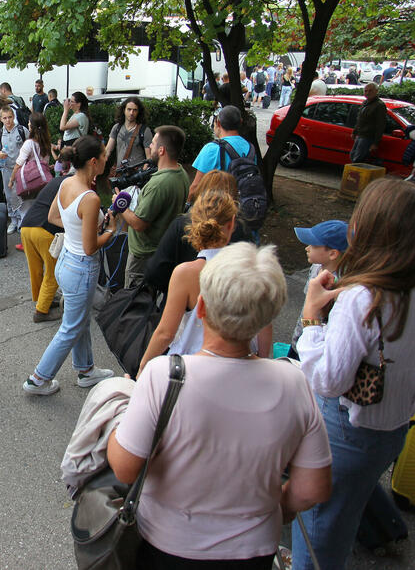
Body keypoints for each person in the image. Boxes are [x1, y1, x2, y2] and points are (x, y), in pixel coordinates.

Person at [108, 242, 332, 569]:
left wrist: (119, 415)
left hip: (167, 546)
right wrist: (280, 505)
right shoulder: (294, 382)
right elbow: (313, 488)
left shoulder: (164, 376)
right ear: (266, 317)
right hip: (254, 549)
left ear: (200, 307)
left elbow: (125, 466)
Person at [292, 180, 415, 569]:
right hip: (392, 427)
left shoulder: (361, 297)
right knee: (344, 512)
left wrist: (312, 316)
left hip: (348, 430)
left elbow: (329, 380)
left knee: (317, 525)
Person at [138, 189, 272, 374]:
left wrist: (143, 367)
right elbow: (264, 326)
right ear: (232, 224)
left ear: (193, 223)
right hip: (241, 366)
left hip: (192, 366)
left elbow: (166, 333)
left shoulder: (186, 273)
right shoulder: (253, 269)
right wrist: (263, 362)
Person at [22, 136, 116, 395]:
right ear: (94, 162)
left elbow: (54, 216)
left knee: (79, 320)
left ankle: (85, 370)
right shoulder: (90, 198)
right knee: (71, 327)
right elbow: (90, 246)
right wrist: (110, 230)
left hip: (65, 262)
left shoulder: (65, 183)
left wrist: (81, 227)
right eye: (105, 157)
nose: (107, 160)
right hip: (81, 268)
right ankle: (38, 380)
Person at [143, 171, 248, 294]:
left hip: (180, 299)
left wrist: (175, 287)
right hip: (225, 302)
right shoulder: (241, 229)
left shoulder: (183, 224)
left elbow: (155, 273)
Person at [116, 126, 190, 288]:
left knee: (134, 301)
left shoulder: (158, 184)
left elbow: (138, 224)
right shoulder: (181, 173)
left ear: (161, 150)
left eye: (154, 143)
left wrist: (120, 205)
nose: (150, 146)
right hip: (161, 248)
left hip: (144, 255)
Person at [285, 220, 348, 360]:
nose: (307, 248)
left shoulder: (342, 287)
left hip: (316, 347)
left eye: (313, 245)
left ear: (332, 254)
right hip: (299, 339)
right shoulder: (316, 267)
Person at [20, 175, 65, 322]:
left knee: (36, 268)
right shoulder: (74, 185)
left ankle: (41, 298)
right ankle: (41, 311)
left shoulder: (57, 180)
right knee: (53, 272)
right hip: (44, 230)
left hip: (26, 226)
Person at [188, 105, 253, 200]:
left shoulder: (212, 148)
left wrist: (187, 204)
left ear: (218, 123)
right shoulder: (250, 147)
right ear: (241, 122)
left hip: (218, 207)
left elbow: (196, 186)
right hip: (241, 204)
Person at [10, 111, 55, 230]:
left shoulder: (29, 143)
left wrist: (11, 179)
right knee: (39, 210)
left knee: (25, 210)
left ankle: (25, 238)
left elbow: (18, 164)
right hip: (43, 181)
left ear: (32, 127)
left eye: (29, 124)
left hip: (30, 181)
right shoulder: (45, 143)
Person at [0, 105, 28, 233]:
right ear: (1, 119)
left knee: (21, 194)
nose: (8, 120)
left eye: (10, 117)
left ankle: (21, 220)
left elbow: (29, 146)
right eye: (5, 118)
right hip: (6, 168)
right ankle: (13, 220)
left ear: (13, 117)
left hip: (21, 168)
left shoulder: (21, 130)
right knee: (9, 195)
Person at [104, 97, 151, 168]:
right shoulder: (117, 128)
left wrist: (143, 174)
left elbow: (149, 158)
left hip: (137, 174)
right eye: (129, 109)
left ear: (138, 112)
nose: (131, 113)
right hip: (120, 173)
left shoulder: (144, 131)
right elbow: (107, 150)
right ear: (124, 110)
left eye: (135, 110)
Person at [349, 82, 387, 163]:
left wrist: (376, 143)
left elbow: (380, 125)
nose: (367, 93)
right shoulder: (365, 103)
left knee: (358, 158)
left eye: (370, 91)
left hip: (368, 137)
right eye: (366, 91)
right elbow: (360, 119)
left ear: (376, 91)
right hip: (360, 135)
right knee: (353, 155)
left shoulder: (379, 105)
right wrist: (354, 131)